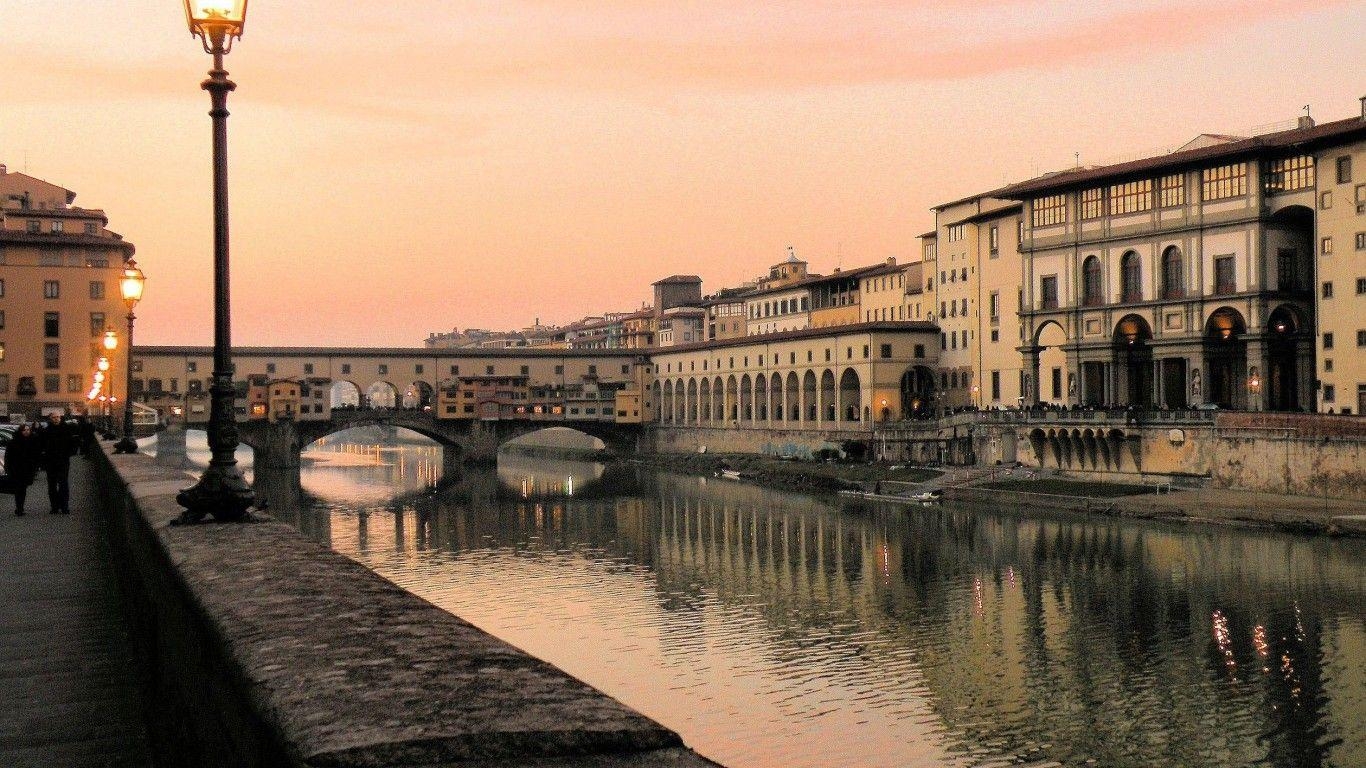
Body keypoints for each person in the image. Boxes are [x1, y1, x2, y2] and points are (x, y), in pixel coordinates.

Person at [40, 412, 78, 515]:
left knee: (63, 484)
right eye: (54, 417)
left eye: (58, 417)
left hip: (63, 461)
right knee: (52, 485)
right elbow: (41, 446)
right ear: (50, 419)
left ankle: (64, 506)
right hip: (50, 462)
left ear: (60, 418)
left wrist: (69, 453)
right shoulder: (46, 431)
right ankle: (54, 507)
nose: (56, 419)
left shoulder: (66, 429)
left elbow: (73, 443)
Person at [5, 423, 40, 516]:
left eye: (28, 430)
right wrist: (8, 469)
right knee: (18, 489)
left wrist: (35, 467)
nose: (26, 432)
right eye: (24, 430)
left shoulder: (32, 441)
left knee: (23, 489)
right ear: (20, 431)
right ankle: (19, 508)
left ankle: (20, 507)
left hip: (27, 470)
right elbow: (8, 457)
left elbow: (36, 456)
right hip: (16, 470)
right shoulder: (13, 442)